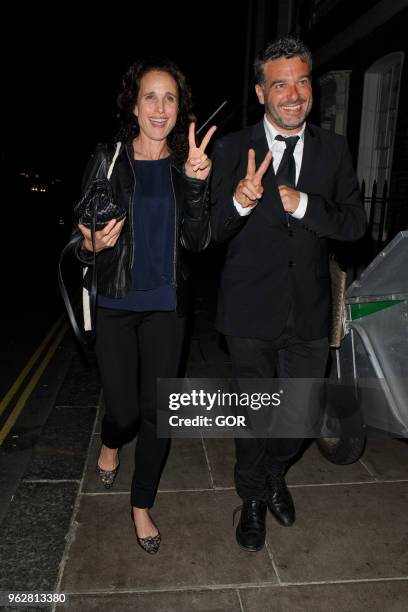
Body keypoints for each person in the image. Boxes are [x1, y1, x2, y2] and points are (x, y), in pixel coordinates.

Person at [210, 36, 366, 552]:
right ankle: (253, 497)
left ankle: (275, 471)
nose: (293, 94)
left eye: (302, 81)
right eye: (280, 84)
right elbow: (207, 233)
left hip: (310, 312)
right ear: (261, 92)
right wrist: (236, 201)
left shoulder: (334, 150)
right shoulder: (233, 149)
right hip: (249, 311)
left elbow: (354, 226)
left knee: (296, 418)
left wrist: (304, 204)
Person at [74, 58, 215, 554]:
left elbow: (199, 242)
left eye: (170, 98)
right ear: (134, 106)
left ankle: (141, 505)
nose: (160, 107)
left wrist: (198, 186)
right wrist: (90, 244)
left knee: (160, 412)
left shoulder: (187, 166)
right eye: (150, 97)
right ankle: (112, 441)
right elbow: (82, 228)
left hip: (166, 307)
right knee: (126, 410)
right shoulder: (109, 158)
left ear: (180, 109)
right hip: (115, 301)